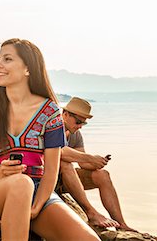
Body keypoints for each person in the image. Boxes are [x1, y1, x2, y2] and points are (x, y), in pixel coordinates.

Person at [0, 39, 100, 240]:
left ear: (28, 68)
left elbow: (52, 170)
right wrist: (0, 172)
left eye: (7, 59)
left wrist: (37, 207)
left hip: (38, 193)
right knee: (21, 183)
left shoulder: (50, 112)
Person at [58, 97, 136, 231]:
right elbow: (60, 152)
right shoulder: (52, 127)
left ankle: (121, 224)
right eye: (78, 122)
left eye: (84, 123)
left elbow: (83, 164)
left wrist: (97, 163)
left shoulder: (75, 134)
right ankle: (91, 213)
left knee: (102, 175)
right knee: (66, 163)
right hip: (46, 179)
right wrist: (89, 158)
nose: (80, 126)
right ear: (65, 114)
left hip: (63, 179)